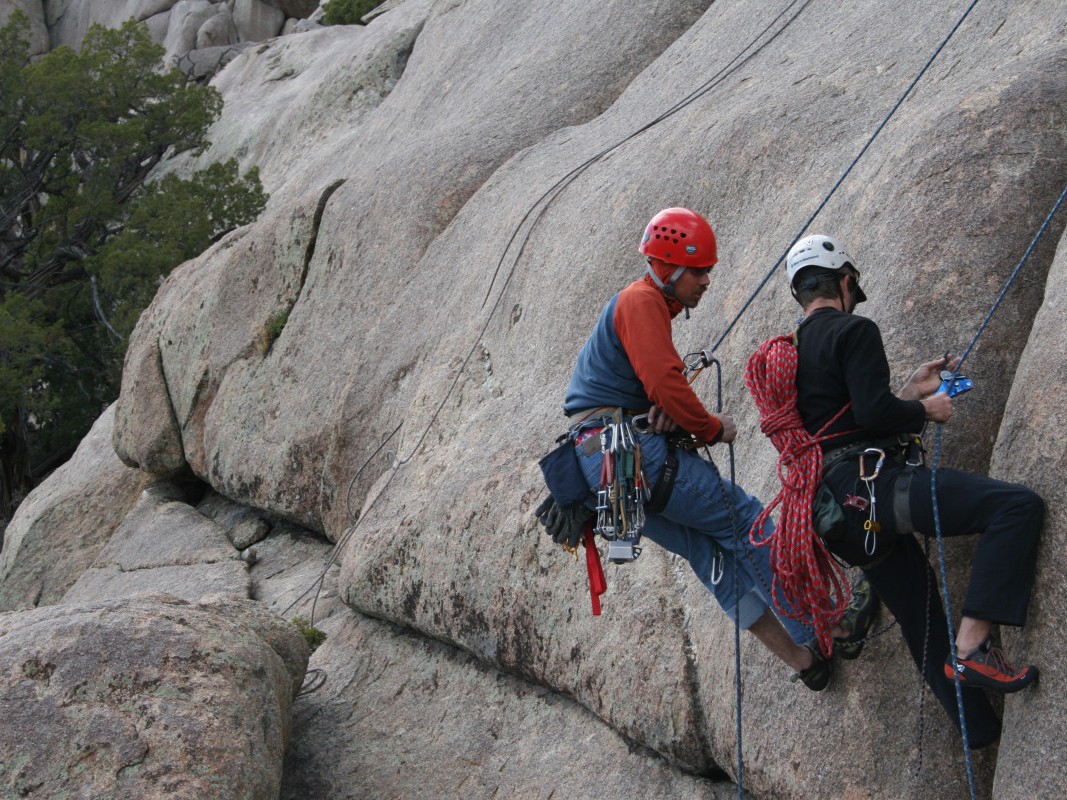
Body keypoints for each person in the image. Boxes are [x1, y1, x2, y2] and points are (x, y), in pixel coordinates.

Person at [542, 207, 874, 690]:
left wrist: (660, 413)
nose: (706, 281)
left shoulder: (640, 309)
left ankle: (803, 662)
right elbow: (666, 383)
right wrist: (712, 427)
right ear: (671, 269)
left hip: (604, 465)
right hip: (627, 451)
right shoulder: (641, 302)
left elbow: (649, 390)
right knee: (747, 521)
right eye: (699, 272)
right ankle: (830, 629)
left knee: (705, 550)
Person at [786, 232, 1044, 747]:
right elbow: (875, 415)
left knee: (923, 624)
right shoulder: (853, 330)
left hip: (839, 512)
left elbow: (849, 421)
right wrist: (925, 409)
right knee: (1016, 507)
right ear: (844, 280)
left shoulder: (791, 351)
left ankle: (983, 737)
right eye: (853, 287)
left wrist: (907, 391)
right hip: (877, 487)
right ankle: (972, 649)